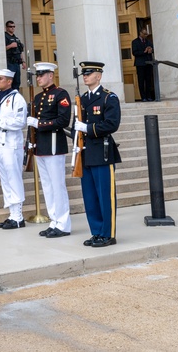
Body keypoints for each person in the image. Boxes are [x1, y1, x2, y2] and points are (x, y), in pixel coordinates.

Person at [73, 61, 121, 248]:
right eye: (84, 74)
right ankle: (96, 232)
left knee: (105, 195)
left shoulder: (109, 98)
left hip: (102, 151)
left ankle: (108, 234)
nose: (85, 76)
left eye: (89, 73)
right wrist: (76, 140)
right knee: (90, 196)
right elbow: (75, 124)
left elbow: (111, 124)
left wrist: (88, 128)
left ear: (98, 76)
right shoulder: (83, 99)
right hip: (85, 153)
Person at [28, 62, 72, 238]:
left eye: (41, 75)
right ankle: (54, 220)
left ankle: (63, 224)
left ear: (51, 75)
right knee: (47, 186)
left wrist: (39, 124)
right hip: (41, 146)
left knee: (57, 185)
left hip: (54, 145)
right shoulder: (38, 97)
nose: (38, 78)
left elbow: (63, 121)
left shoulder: (60, 94)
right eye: (37, 75)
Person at [0, 69, 26, 229]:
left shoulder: (17, 99)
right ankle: (12, 215)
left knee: (14, 179)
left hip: (12, 143)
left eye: (1, 79)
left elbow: (20, 122)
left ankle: (18, 217)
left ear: (9, 81)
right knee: (5, 180)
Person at [131, 26, 155, 101]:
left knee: (148, 80)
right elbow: (134, 53)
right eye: (144, 34)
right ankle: (143, 97)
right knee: (141, 81)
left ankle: (149, 96)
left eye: (146, 34)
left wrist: (151, 50)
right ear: (140, 33)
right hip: (140, 64)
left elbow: (153, 49)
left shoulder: (148, 41)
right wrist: (144, 51)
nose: (145, 36)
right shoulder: (135, 42)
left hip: (148, 63)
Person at [4, 21, 25, 91]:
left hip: (17, 63)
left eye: (14, 26)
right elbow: (1, 49)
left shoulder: (16, 38)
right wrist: (10, 46)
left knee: (17, 82)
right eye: (10, 26)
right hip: (10, 62)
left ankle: (16, 95)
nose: (12, 28)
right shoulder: (5, 36)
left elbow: (20, 51)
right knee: (9, 81)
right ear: (6, 27)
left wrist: (23, 62)